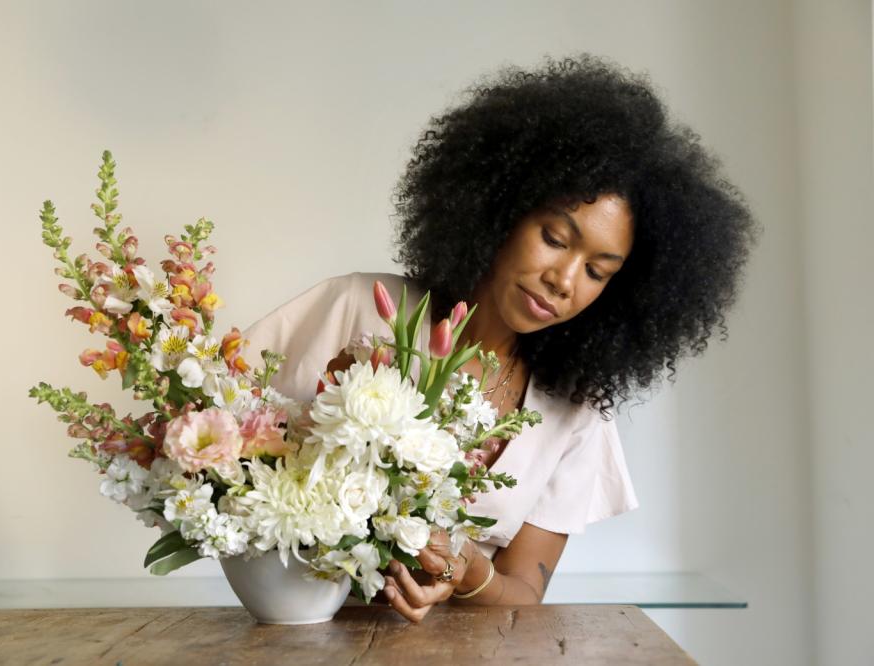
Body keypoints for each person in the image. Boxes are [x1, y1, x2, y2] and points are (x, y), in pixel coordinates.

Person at [240, 53, 760, 624]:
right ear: (501, 208)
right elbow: (217, 439)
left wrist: (466, 572)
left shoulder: (576, 410)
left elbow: (524, 593)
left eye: (597, 272)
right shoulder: (357, 309)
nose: (564, 280)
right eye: (556, 238)